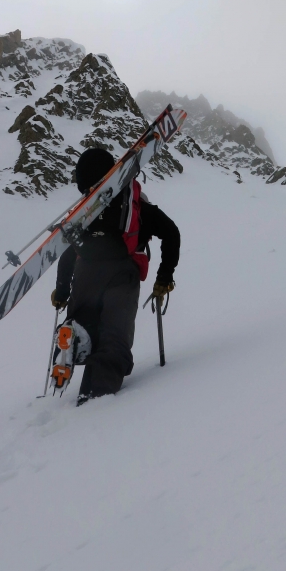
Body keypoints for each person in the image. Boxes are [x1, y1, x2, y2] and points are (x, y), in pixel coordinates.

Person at [51, 147, 180, 405]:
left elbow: (66, 253)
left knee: (85, 325)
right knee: (114, 339)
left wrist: (63, 290)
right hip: (122, 276)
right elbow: (171, 232)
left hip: (85, 274)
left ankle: (74, 333)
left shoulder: (84, 215)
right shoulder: (136, 206)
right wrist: (164, 277)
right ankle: (93, 398)